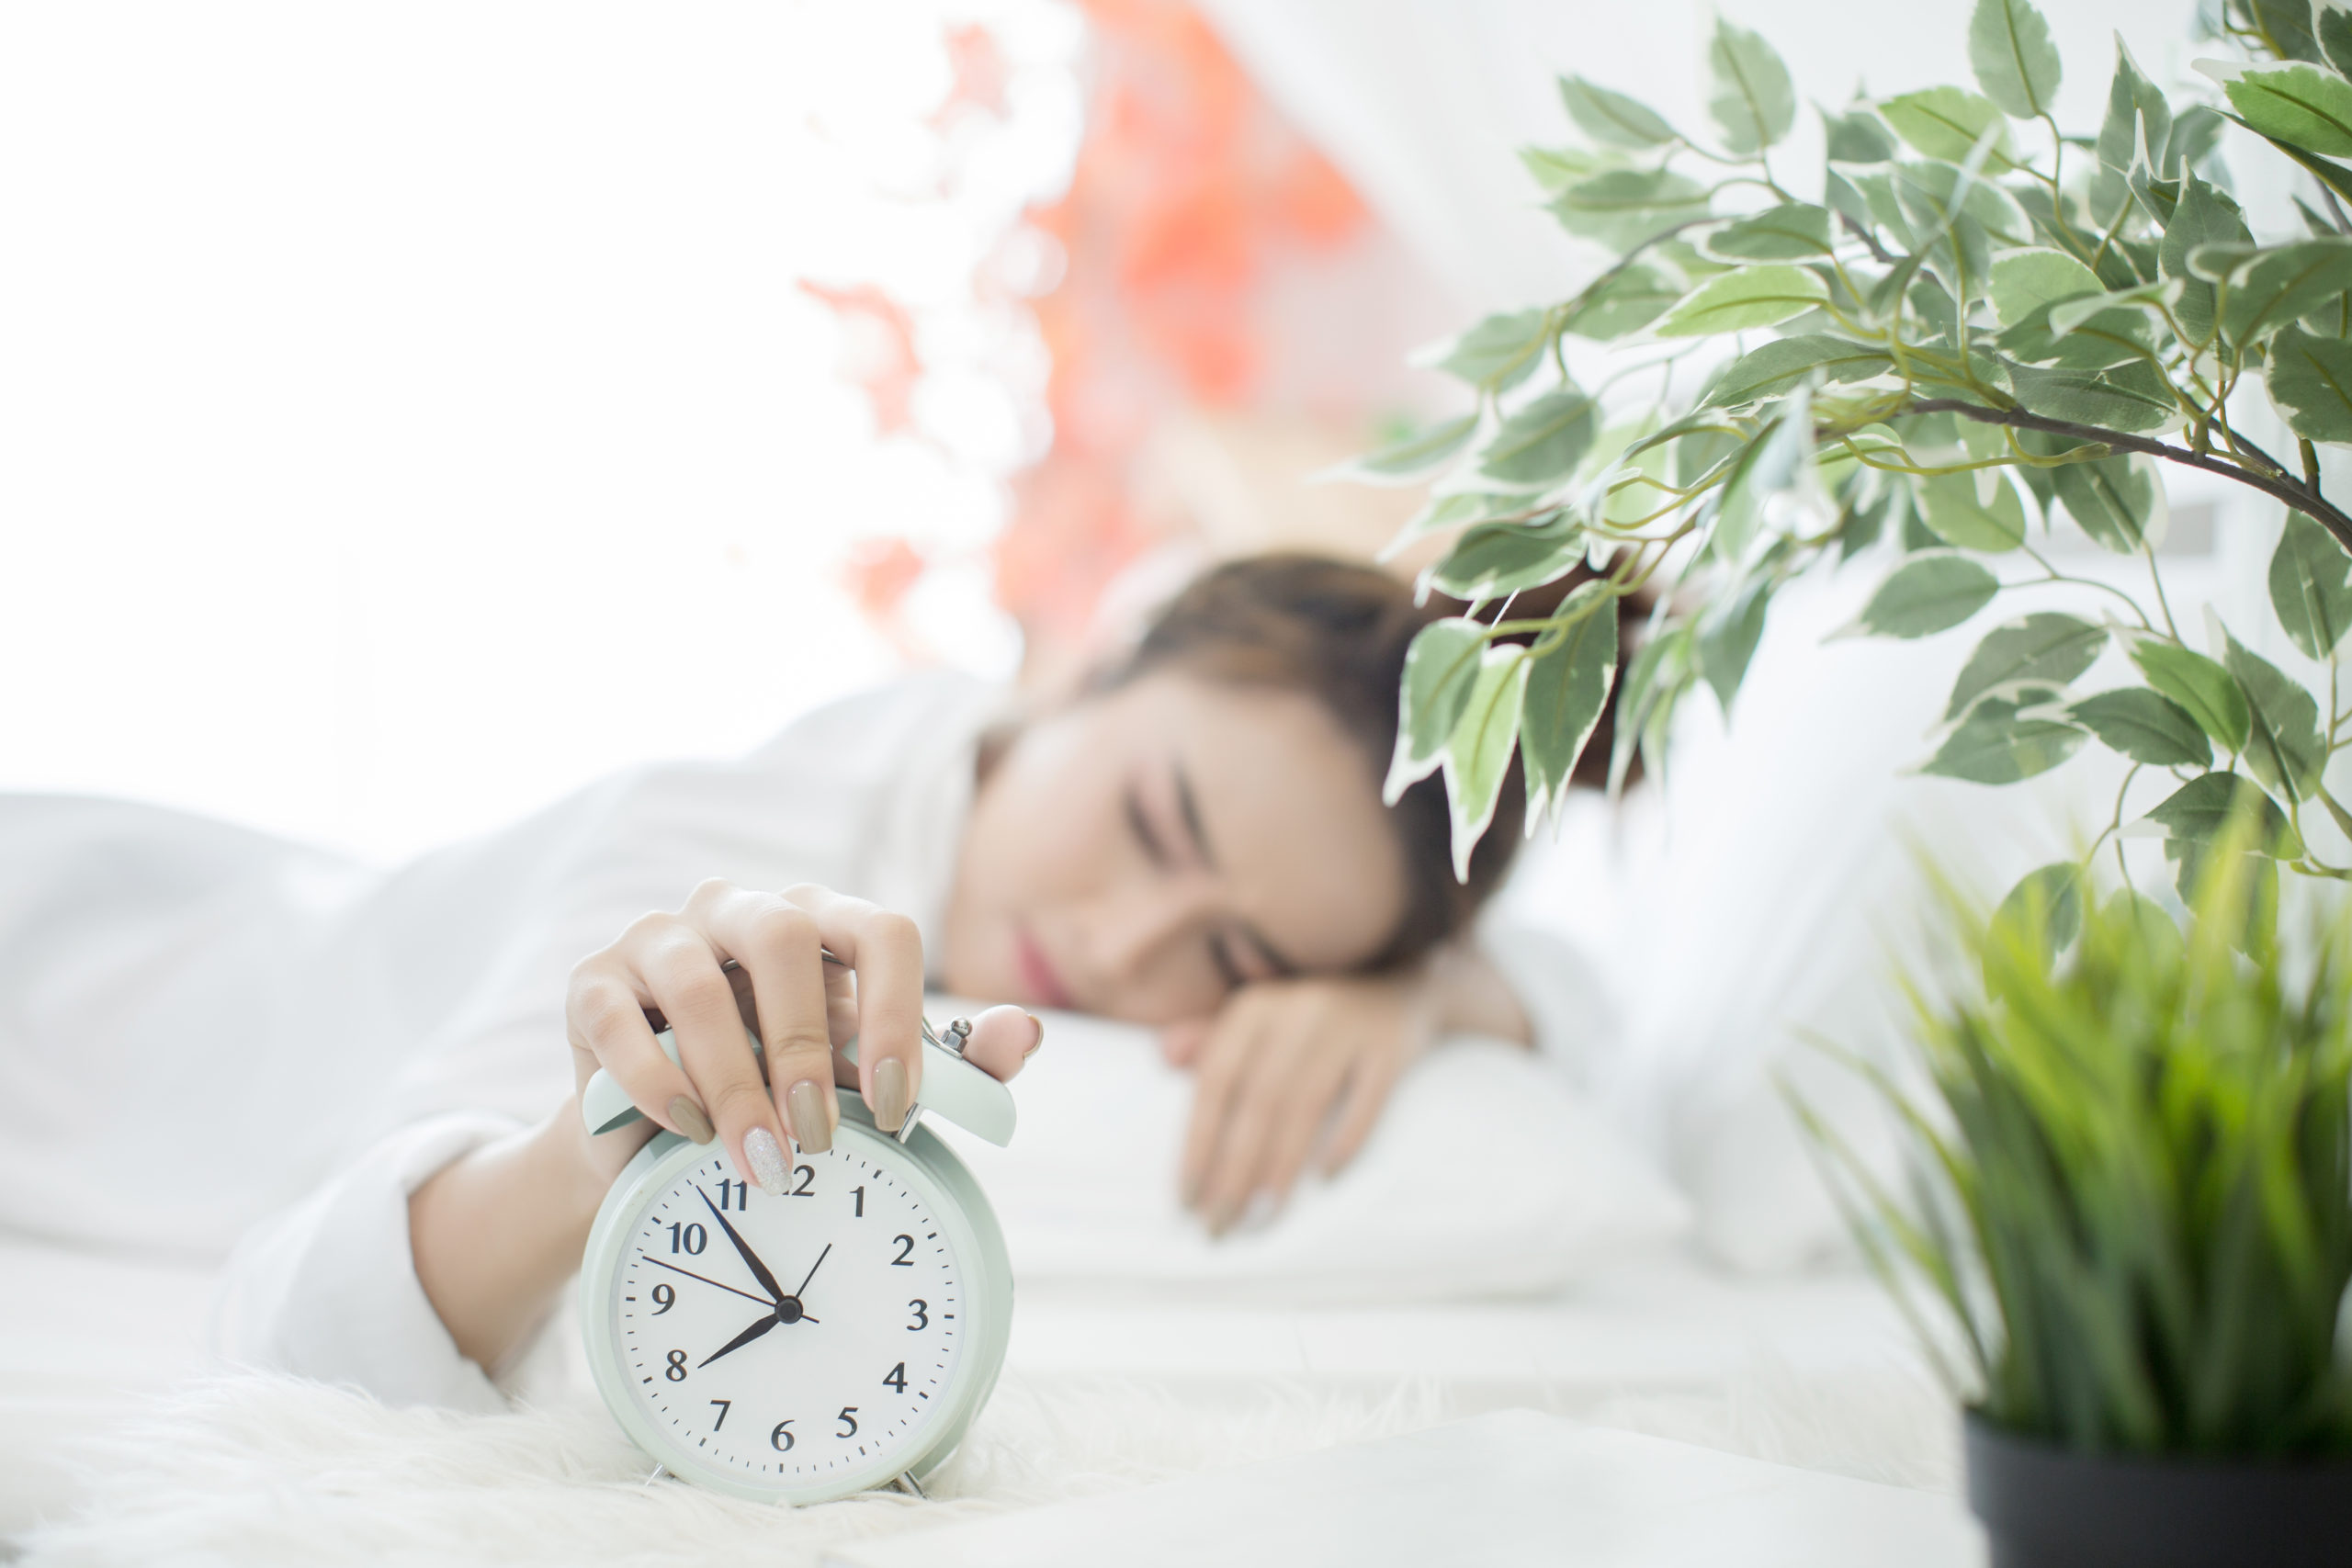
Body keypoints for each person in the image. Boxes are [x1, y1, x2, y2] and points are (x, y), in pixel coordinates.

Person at [0, 552, 1625, 1410]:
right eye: (1151, 824)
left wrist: (1415, 998)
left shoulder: (1317, 955)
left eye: (1235, 960)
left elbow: (1612, 1018)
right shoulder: (726, 855)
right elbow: (301, 1327)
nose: (1133, 953)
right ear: (1098, 653)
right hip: (84, 980)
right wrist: (606, 1136)